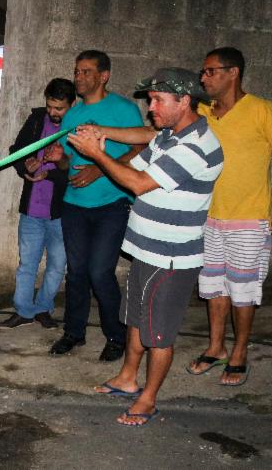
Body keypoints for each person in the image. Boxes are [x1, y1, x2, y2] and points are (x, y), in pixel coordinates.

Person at [72, 68, 223, 426]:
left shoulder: (197, 145)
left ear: (184, 101)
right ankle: (127, 378)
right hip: (145, 248)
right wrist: (103, 138)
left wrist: (98, 155)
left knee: (159, 335)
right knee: (136, 321)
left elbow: (139, 183)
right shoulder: (170, 136)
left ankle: (149, 399)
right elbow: (137, 158)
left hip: (171, 256)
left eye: (158, 100)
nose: (150, 106)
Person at [185, 47, 272, 385]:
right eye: (203, 71)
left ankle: (239, 352)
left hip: (248, 219)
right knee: (213, 287)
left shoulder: (262, 110)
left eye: (210, 71)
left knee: (244, 289)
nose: (203, 77)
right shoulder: (203, 112)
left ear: (233, 73)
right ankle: (216, 347)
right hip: (208, 217)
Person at [44, 50, 145, 361]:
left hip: (111, 202)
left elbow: (142, 147)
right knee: (76, 272)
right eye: (76, 71)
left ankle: (116, 335)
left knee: (100, 271)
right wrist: (59, 160)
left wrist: (100, 167)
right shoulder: (72, 115)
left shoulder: (123, 109)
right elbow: (67, 164)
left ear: (104, 76)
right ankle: (74, 332)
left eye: (86, 72)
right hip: (74, 203)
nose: (79, 77)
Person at [0, 78, 74, 330]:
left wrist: (50, 173)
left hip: (61, 212)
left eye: (59, 108)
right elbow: (16, 150)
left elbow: (78, 171)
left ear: (71, 105)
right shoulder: (36, 119)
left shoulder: (77, 127)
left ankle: (43, 308)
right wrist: (25, 167)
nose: (53, 112)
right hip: (31, 208)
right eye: (50, 106)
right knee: (27, 264)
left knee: (56, 266)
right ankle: (23, 310)